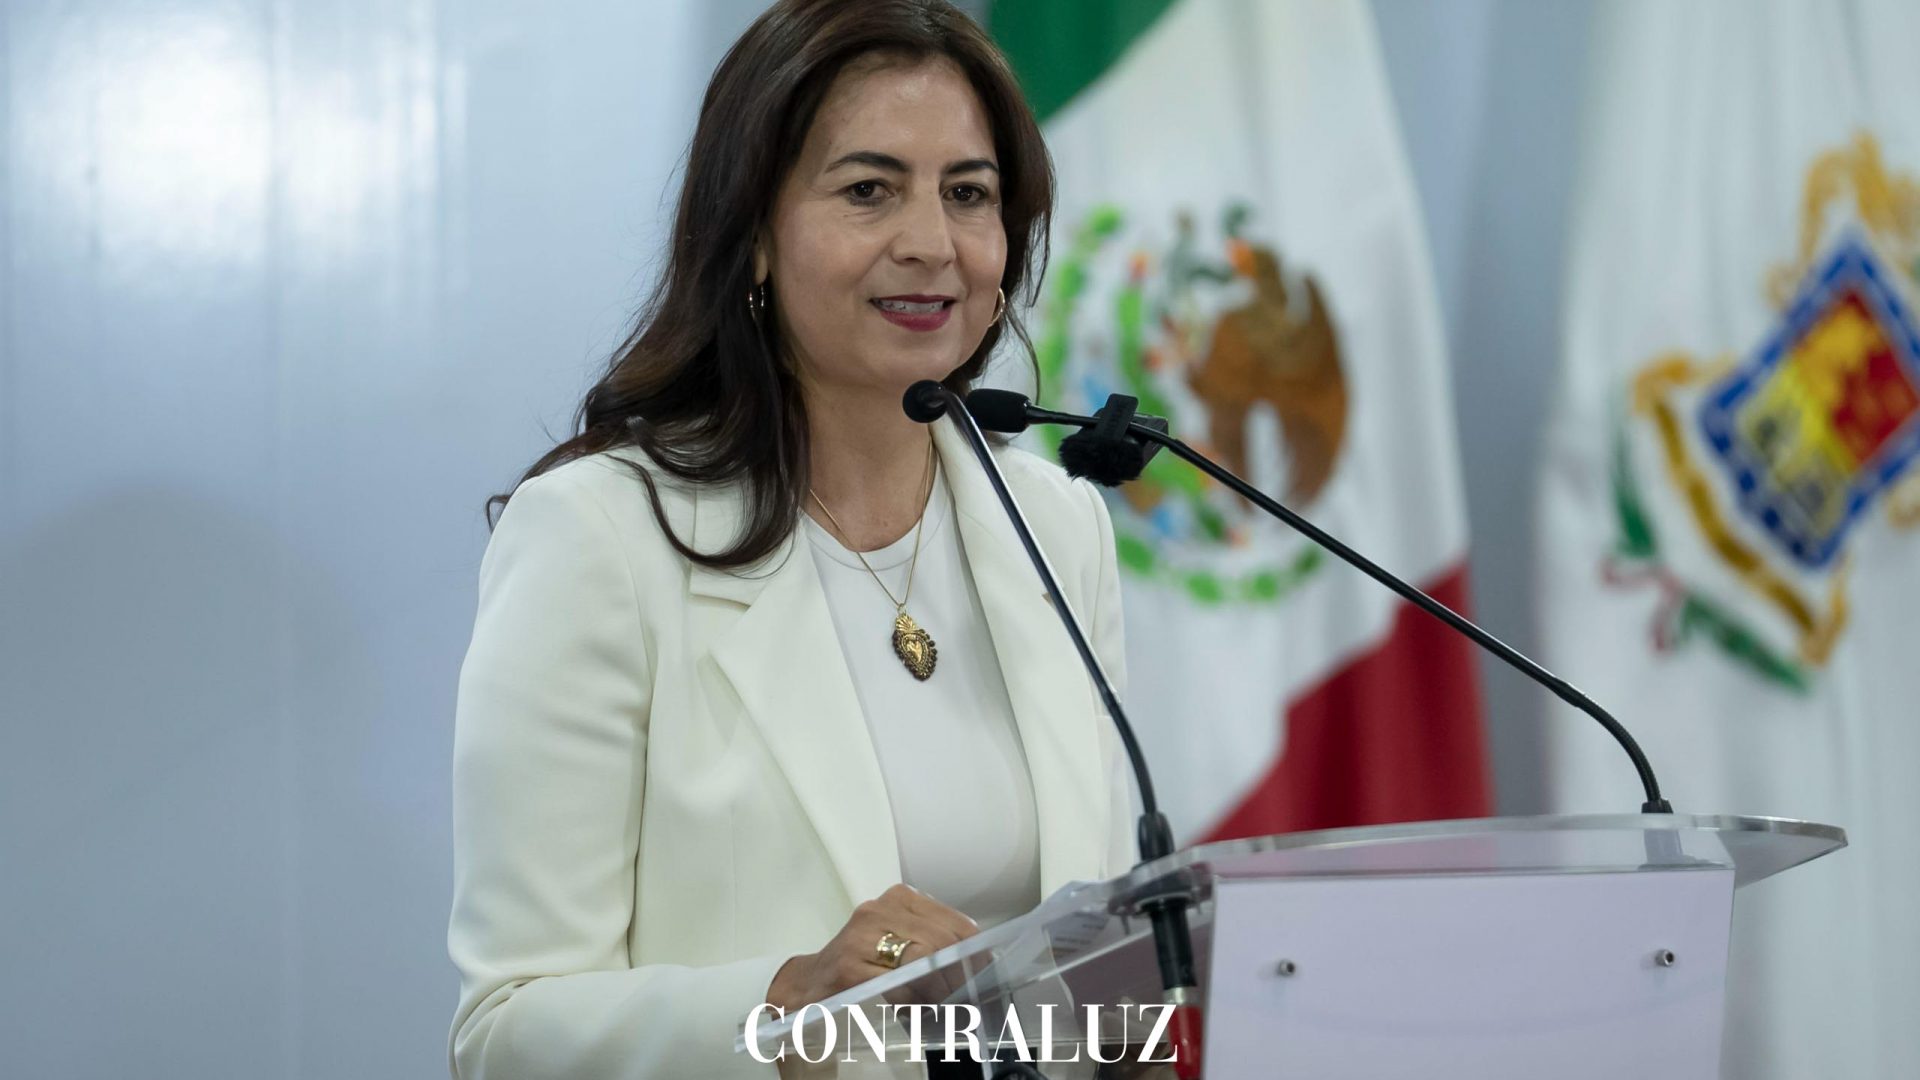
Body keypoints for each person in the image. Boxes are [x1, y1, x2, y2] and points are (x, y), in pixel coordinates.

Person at [446, 2, 1135, 1077]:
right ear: (756, 234)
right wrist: (787, 1003)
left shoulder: (1055, 527)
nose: (931, 243)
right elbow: (505, 1033)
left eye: (968, 194)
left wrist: (1125, 1034)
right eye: (868, 190)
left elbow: (1095, 961)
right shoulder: (600, 538)